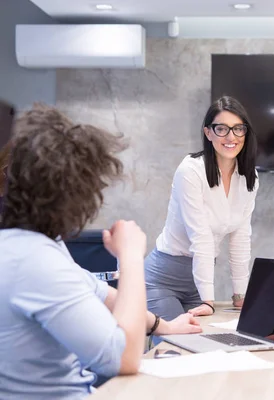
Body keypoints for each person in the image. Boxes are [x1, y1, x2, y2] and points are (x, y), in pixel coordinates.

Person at [0, 104, 203, 399]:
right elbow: (124, 358)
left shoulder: (32, 243)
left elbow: (100, 293)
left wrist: (164, 325)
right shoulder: (33, 260)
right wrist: (131, 256)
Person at [145, 96, 259, 320]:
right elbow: (201, 236)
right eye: (221, 129)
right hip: (163, 279)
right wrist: (208, 300)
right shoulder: (190, 170)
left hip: (198, 282)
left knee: (205, 343)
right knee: (178, 344)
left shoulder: (249, 178)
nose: (231, 137)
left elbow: (240, 238)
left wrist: (240, 293)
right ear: (208, 133)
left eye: (238, 129)